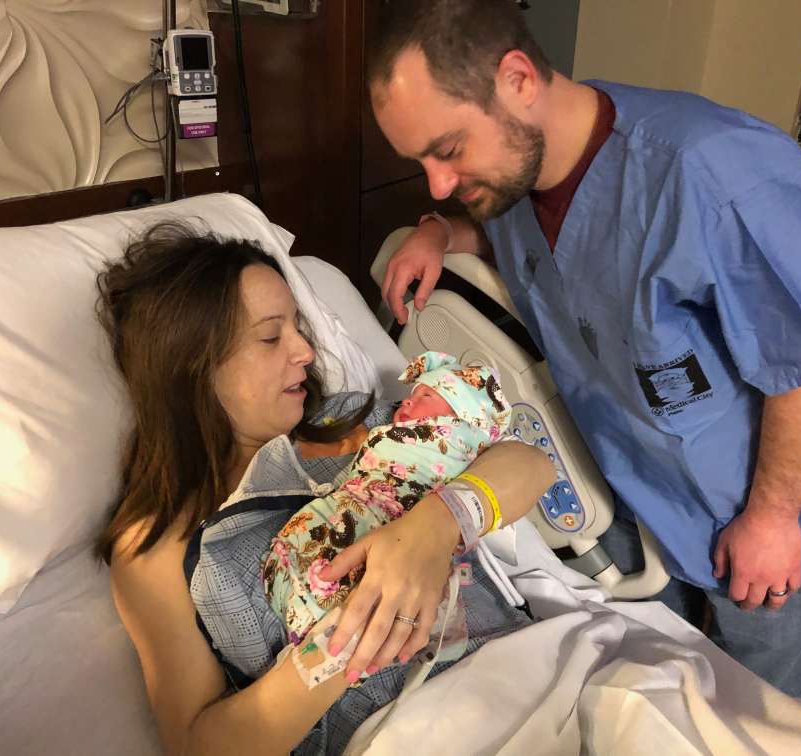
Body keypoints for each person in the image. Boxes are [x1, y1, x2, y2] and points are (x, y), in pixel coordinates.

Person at [368, 0, 801, 710]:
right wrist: (437, 231)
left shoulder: (714, 175)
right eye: (419, 161)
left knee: (769, 722)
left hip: (776, 515)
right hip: (651, 501)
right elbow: (528, 249)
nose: (439, 181)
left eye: (447, 150)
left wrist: (770, 518)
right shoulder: (517, 181)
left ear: (518, 78)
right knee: (676, 707)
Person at [95, 220, 555, 754]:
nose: (306, 352)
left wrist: (435, 526)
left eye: (298, 328)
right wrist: (349, 638)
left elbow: (528, 464)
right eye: (271, 336)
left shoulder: (349, 428)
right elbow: (197, 744)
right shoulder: (155, 548)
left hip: (523, 671)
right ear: (191, 368)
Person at [264, 350, 511, 669]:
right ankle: (324, 635)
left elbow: (524, 464)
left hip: (404, 514)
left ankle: (340, 636)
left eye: (425, 395)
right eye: (414, 393)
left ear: (463, 418)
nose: (407, 401)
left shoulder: (464, 443)